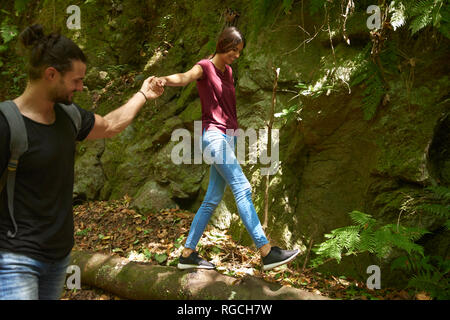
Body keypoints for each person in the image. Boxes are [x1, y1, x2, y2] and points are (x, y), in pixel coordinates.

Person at [0, 24, 164, 300]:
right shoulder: (7, 124)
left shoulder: (69, 116)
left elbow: (111, 125)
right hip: (15, 259)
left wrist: (144, 94)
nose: (81, 86)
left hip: (58, 257)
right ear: (51, 74)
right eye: (76, 80)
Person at [156, 27, 299, 271]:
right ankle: (266, 252)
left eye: (240, 51)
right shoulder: (204, 67)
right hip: (213, 136)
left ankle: (187, 254)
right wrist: (164, 80)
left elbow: (229, 110)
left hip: (228, 137)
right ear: (223, 45)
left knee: (212, 198)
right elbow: (185, 77)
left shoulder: (229, 72)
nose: (237, 55)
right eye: (234, 50)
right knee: (242, 187)